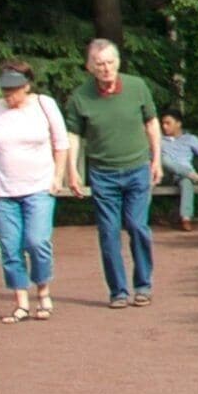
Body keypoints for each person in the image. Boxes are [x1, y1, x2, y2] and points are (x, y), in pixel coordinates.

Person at [63, 37, 165, 306]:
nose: (106, 68)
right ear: (89, 67)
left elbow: (152, 123)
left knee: (137, 226)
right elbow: (73, 136)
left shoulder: (137, 87)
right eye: (99, 64)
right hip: (103, 173)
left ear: (118, 62)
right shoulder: (80, 97)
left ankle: (143, 285)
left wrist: (156, 160)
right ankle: (118, 291)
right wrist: (71, 171)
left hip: (137, 168)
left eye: (110, 62)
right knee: (108, 232)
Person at [0, 64, 70, 321]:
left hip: (39, 186)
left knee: (37, 242)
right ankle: (21, 303)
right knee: (10, 247)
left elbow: (61, 142)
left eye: (13, 90)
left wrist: (58, 176)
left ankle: (43, 292)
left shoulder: (44, 105)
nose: (8, 95)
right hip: (4, 191)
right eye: (4, 90)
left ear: (26, 86)